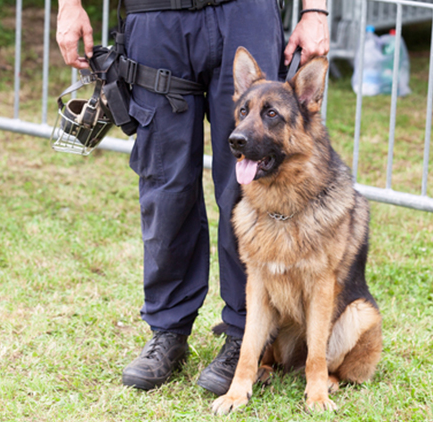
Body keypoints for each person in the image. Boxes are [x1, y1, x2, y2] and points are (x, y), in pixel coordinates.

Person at [56, 0, 329, 395]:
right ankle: (168, 330)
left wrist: (315, 11)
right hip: (154, 15)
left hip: (244, 10)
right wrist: (69, 6)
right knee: (164, 183)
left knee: (251, 182)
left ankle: (246, 335)